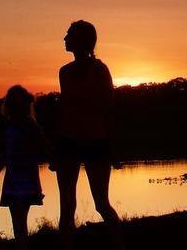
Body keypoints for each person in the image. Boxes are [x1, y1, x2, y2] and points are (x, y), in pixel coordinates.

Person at [54, 20, 123, 250]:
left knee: (101, 204)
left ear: (82, 40)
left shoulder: (100, 70)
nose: (64, 38)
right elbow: (65, 112)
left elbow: (109, 111)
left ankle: (120, 244)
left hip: (96, 142)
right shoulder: (64, 72)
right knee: (66, 206)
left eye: (69, 35)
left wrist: (113, 149)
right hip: (68, 142)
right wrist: (56, 148)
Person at [0, 85, 50, 250]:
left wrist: (54, 160)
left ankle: (21, 246)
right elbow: (4, 152)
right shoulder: (8, 126)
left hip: (26, 179)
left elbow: (44, 144)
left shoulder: (30, 125)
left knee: (19, 220)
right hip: (12, 179)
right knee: (17, 222)